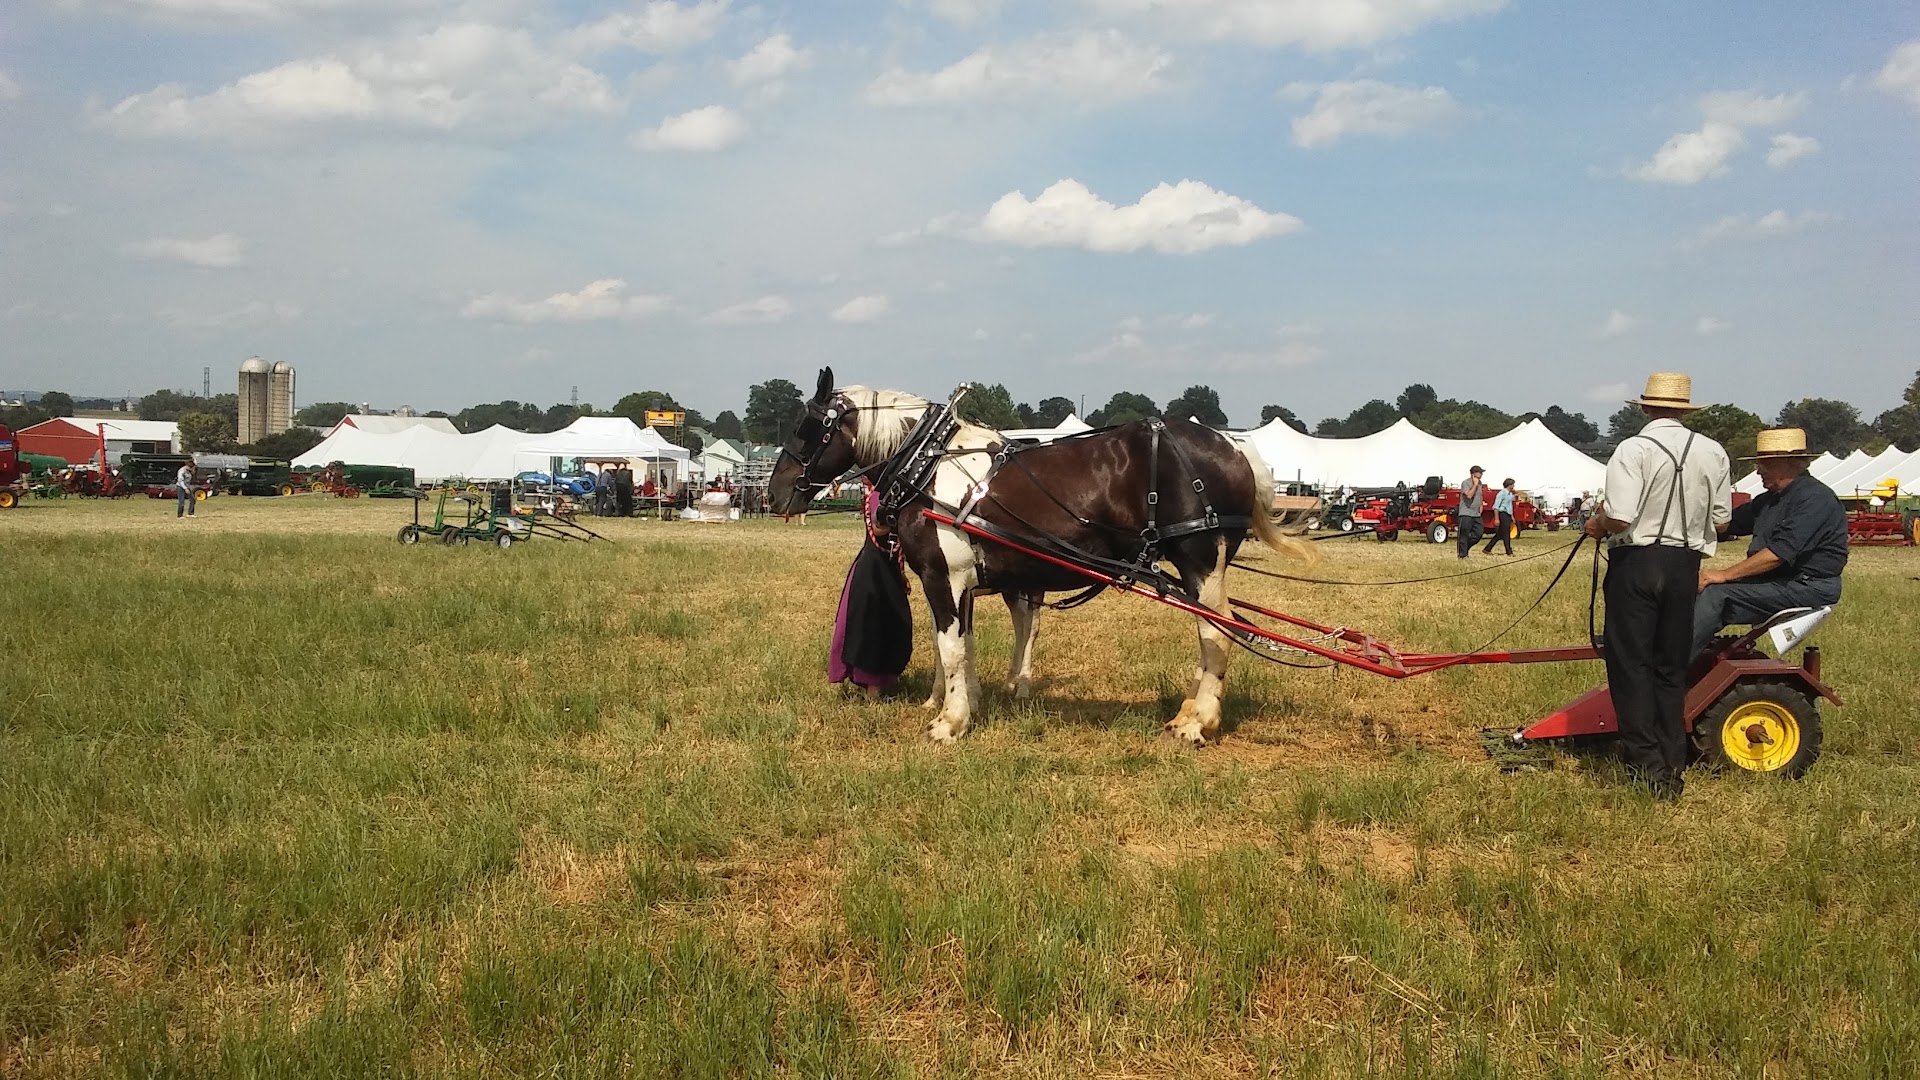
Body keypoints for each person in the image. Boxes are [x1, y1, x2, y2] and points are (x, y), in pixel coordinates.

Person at [1584, 373, 1731, 801]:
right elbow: (1721, 520)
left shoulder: (1634, 449)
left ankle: (1647, 767)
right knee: (1670, 667)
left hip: (1638, 563)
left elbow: (1622, 516)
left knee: (1631, 666)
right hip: (1685, 564)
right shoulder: (1713, 451)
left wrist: (1596, 524)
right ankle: (1672, 759)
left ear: (1646, 409)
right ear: (1684, 411)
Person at [1692, 428, 1847, 658]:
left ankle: (1668, 670)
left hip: (1808, 586)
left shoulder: (1815, 499)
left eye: (1767, 464)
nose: (1758, 471)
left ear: (1794, 463)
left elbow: (1778, 553)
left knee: (1716, 595)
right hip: (1782, 581)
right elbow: (1727, 525)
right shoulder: (1769, 500)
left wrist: (1723, 574)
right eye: (1760, 463)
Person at [828, 483, 912, 699]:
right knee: (871, 624)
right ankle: (872, 686)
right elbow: (878, 528)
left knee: (892, 622)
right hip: (873, 570)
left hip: (888, 567)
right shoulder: (877, 495)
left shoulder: (890, 492)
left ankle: (885, 678)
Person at [1455, 466, 1486, 558]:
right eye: (1480, 472)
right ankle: (1462, 555)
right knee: (1463, 535)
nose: (1482, 474)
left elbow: (1480, 496)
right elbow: (1469, 495)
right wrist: (1475, 485)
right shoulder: (1466, 483)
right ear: (1474, 473)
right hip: (1466, 513)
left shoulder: (1480, 483)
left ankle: (1464, 548)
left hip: (1476, 514)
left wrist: (1481, 505)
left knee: (1478, 533)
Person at [1482, 477, 1518, 555]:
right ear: (1509, 485)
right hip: (1502, 514)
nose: (1514, 486)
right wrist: (1496, 519)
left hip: (1508, 514)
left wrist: (1512, 516)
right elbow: (1496, 507)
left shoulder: (1510, 494)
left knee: (1500, 534)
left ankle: (1487, 548)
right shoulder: (1501, 494)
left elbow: (1510, 506)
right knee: (1506, 534)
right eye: (1513, 485)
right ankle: (1509, 551)